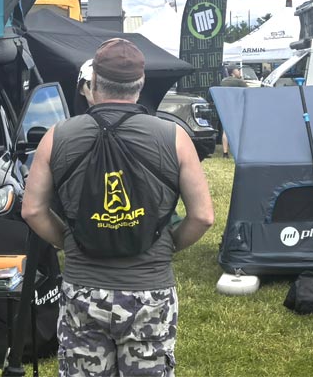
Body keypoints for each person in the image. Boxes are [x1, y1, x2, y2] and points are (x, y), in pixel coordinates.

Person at [23, 38, 215, 377]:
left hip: (83, 288)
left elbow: (33, 210)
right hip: (150, 289)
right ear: (141, 84)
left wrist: (68, 240)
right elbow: (202, 217)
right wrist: (167, 244)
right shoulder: (174, 137)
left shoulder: (56, 136)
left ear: (94, 81)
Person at [219, 68, 248, 158]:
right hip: (237, 107)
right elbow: (248, 91)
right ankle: (239, 152)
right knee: (239, 130)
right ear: (233, 72)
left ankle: (225, 153)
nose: (239, 72)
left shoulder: (223, 81)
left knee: (226, 130)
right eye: (238, 70)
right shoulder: (239, 82)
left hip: (225, 107)